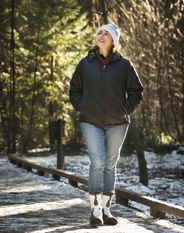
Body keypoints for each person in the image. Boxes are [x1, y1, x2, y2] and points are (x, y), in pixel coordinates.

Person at [69, 23, 144, 226]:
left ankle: (106, 210)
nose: (101, 36)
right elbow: (74, 89)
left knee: (110, 165)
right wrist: (82, 106)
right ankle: (95, 212)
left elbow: (137, 91)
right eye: (99, 33)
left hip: (118, 123)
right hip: (90, 121)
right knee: (98, 162)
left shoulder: (125, 65)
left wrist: (125, 108)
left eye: (106, 33)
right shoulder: (85, 63)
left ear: (114, 40)